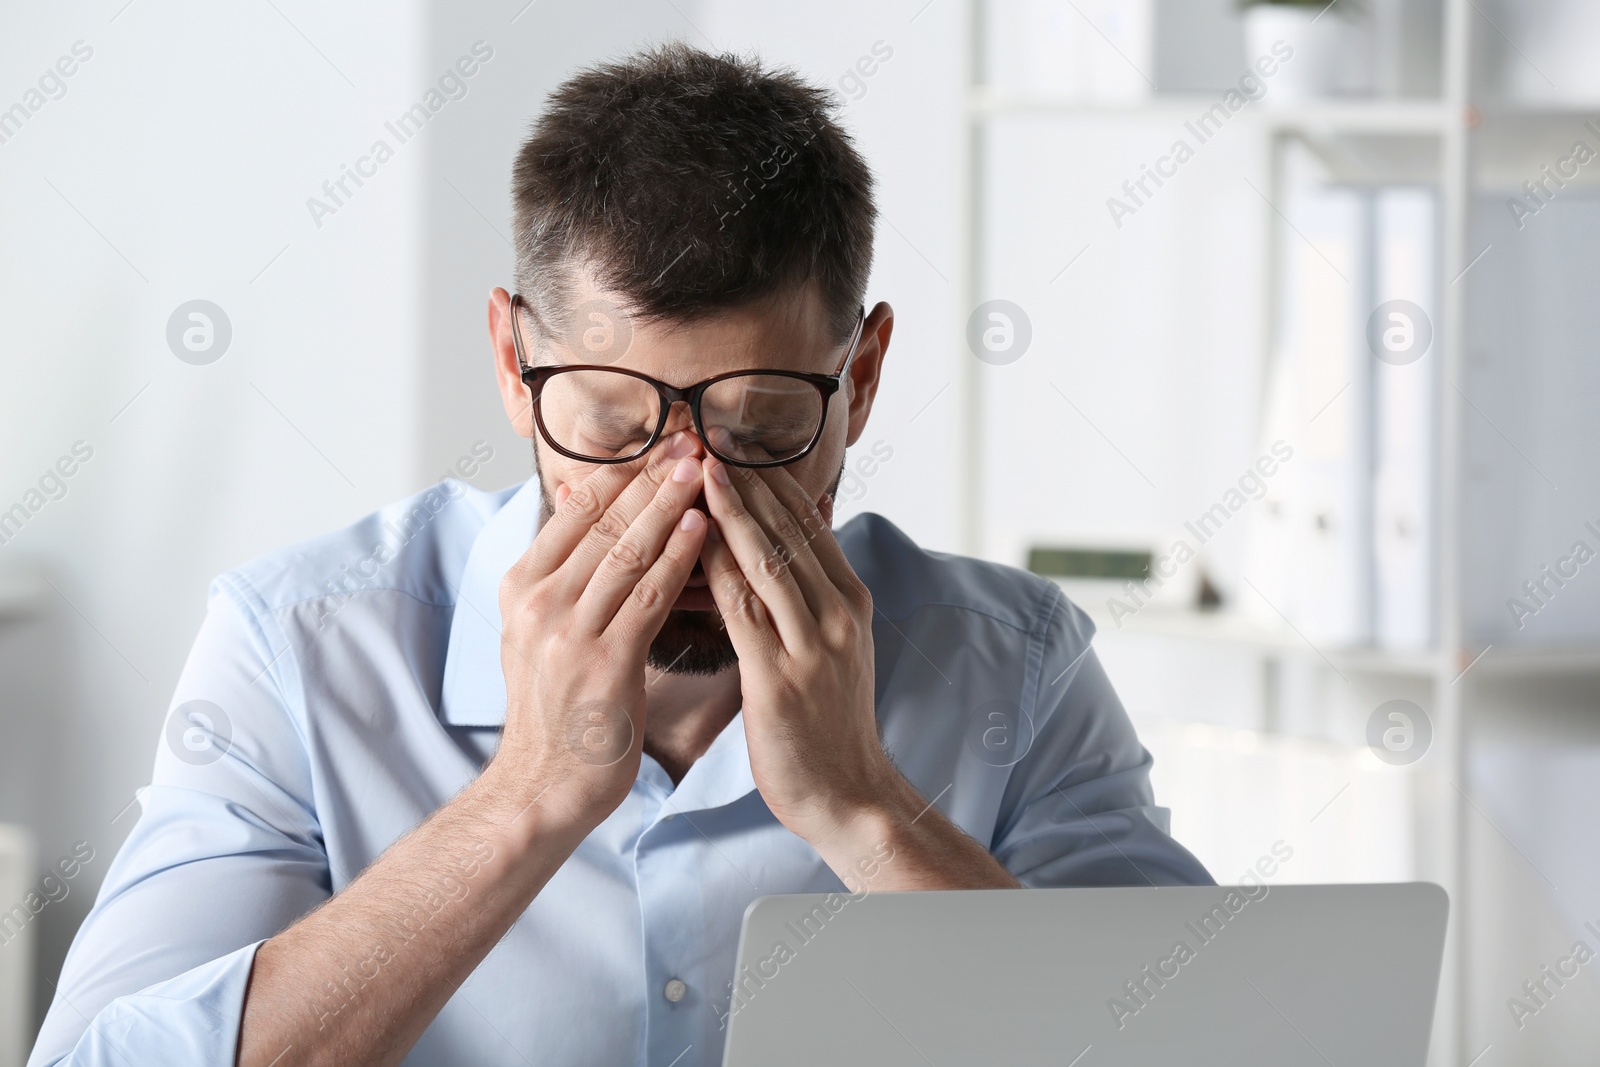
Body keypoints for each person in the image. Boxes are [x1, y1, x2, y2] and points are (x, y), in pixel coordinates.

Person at [30, 41, 1210, 1067]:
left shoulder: (1016, 668)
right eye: (613, 420)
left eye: (758, 425)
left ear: (859, 380)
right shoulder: (299, 649)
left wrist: (866, 807)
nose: (687, 496)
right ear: (512, 360)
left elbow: (1204, 1045)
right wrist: (528, 798)